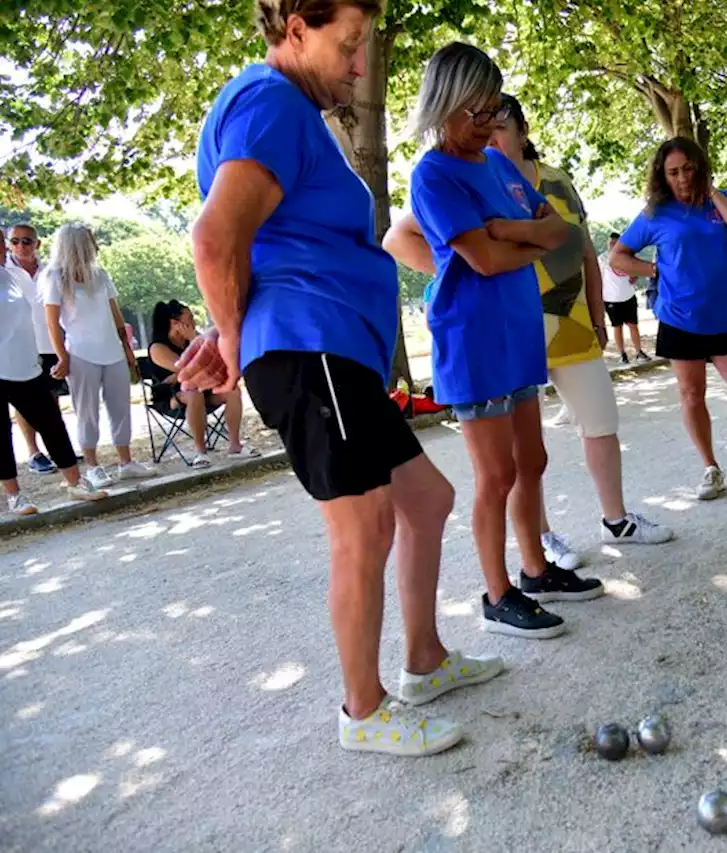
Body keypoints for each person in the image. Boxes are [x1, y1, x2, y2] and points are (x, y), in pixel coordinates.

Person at [184, 5, 502, 757]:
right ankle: (363, 709)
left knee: (428, 499)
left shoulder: (283, 110)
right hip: (311, 346)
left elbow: (253, 244)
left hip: (329, 348)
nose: (361, 66)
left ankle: (423, 660)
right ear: (295, 28)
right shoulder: (271, 100)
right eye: (349, 44)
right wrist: (235, 339)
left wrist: (230, 322)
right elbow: (213, 234)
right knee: (366, 527)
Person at [382, 42, 606, 643]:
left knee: (532, 460)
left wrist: (510, 229)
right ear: (443, 107)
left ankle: (535, 571)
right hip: (474, 340)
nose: (485, 125)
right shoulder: (432, 175)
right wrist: (516, 241)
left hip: (519, 334)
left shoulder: (498, 164)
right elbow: (480, 261)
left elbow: (559, 231)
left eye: (492, 112)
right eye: (473, 113)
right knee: (497, 474)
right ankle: (497, 591)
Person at [479, 93, 673, 567]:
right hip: (512, 328)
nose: (491, 137)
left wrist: (596, 314)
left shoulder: (557, 182)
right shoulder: (475, 183)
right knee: (525, 446)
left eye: (499, 126)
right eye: (483, 126)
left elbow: (587, 251)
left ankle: (617, 519)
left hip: (572, 324)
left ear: (522, 131)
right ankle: (541, 535)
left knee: (601, 423)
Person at [609, 137, 727, 504]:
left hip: (726, 319)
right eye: (673, 172)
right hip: (680, 318)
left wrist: (713, 192)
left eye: (688, 169)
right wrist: (654, 269)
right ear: (662, 175)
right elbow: (618, 256)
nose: (682, 178)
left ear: (700, 167)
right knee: (692, 395)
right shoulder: (655, 213)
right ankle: (710, 468)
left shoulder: (723, 201)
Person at [39, 224, 153, 491]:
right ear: (77, 244)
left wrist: (127, 349)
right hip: (80, 353)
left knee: (120, 407)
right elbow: (52, 323)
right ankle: (92, 466)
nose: (96, 246)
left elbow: (116, 316)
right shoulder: (55, 277)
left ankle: (126, 462)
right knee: (87, 411)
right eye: (91, 241)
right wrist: (62, 356)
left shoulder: (100, 275)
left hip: (111, 350)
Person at [2, 253, 107, 514]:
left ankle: (75, 482)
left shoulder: (9, 276)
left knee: (52, 422)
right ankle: (14, 495)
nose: (5, 249)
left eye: (2, 243)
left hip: (25, 365)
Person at [147, 300, 258, 467]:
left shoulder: (193, 338)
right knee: (193, 394)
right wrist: (182, 372)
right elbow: (187, 368)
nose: (194, 322)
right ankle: (201, 452)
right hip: (171, 396)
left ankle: (235, 445)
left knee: (232, 390)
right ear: (175, 323)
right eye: (189, 318)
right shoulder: (157, 348)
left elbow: (213, 359)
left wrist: (193, 342)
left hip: (203, 387)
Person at [6, 224, 66, 476]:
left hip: (47, 342)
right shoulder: (4, 271)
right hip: (17, 345)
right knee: (24, 401)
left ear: (37, 244)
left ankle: (58, 449)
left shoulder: (50, 271)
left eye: (27, 241)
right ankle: (34, 452)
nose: (21, 246)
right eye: (15, 241)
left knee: (51, 398)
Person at [600, 232, 648, 363]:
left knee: (633, 325)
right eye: (610, 243)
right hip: (611, 299)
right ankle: (623, 354)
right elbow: (598, 280)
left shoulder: (627, 257)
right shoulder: (602, 260)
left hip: (628, 296)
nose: (612, 246)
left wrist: (635, 276)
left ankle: (639, 352)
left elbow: (636, 272)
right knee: (617, 327)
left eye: (615, 243)